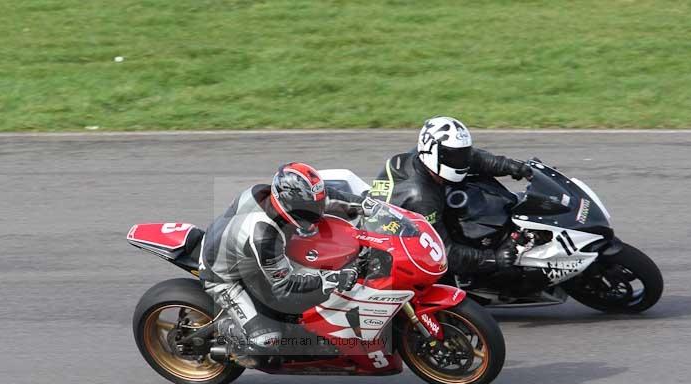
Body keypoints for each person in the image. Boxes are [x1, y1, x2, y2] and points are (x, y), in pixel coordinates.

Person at [199, 162, 361, 367]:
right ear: (289, 204)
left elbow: (327, 197)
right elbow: (286, 287)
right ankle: (227, 331)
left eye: (316, 204)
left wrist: (365, 204)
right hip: (224, 278)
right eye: (311, 208)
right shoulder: (264, 237)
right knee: (266, 342)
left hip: (243, 254)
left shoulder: (273, 196)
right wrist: (333, 279)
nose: (317, 212)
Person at [369, 116, 532, 273]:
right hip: (396, 253)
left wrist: (511, 166)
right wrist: (492, 259)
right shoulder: (422, 197)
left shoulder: (424, 156)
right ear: (433, 153)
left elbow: (474, 158)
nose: (461, 161)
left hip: (408, 218)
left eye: (462, 154)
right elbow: (443, 253)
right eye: (454, 156)